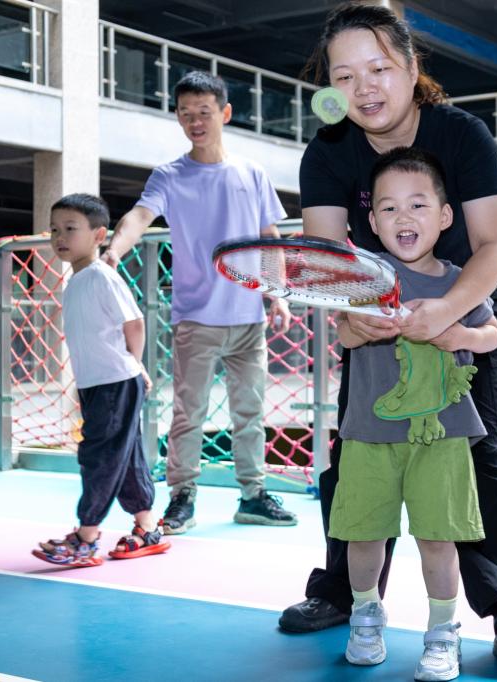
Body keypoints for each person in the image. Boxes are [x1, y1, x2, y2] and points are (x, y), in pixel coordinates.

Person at [279, 2, 497, 657]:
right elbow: (327, 263)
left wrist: (449, 310)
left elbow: (494, 244)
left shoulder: (462, 136)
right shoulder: (328, 152)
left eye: (378, 68)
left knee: (482, 456)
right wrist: (352, 314)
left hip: (464, 312)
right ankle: (345, 593)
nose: (364, 88)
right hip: (378, 326)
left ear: (410, 66)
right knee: (357, 455)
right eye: (345, 76)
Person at [331, 147, 497, 681]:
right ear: (373, 222)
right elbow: (343, 332)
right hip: (368, 433)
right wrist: (358, 328)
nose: (403, 217)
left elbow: (492, 334)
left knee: (437, 538)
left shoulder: (460, 282)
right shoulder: (363, 280)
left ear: (445, 216)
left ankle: (443, 632)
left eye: (418, 204)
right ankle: (365, 617)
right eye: (388, 208)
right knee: (363, 535)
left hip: (443, 435)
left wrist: (460, 334)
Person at [104, 71, 297, 533]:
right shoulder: (169, 175)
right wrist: (114, 251)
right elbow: (139, 216)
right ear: (177, 117)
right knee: (187, 414)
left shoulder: (251, 172)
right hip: (196, 318)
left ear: (225, 113)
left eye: (204, 112)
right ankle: (182, 497)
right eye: (186, 113)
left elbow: (269, 237)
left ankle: (252, 495)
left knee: (250, 413)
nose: (195, 122)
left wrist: (277, 295)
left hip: (248, 316)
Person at [32, 194, 169, 567]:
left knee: (101, 456)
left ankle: (86, 537)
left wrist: (134, 365)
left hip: (114, 383)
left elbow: (135, 323)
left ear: (98, 235)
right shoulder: (77, 280)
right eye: (55, 230)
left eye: (70, 229)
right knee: (126, 455)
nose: (60, 237)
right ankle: (147, 527)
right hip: (100, 384)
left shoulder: (100, 276)